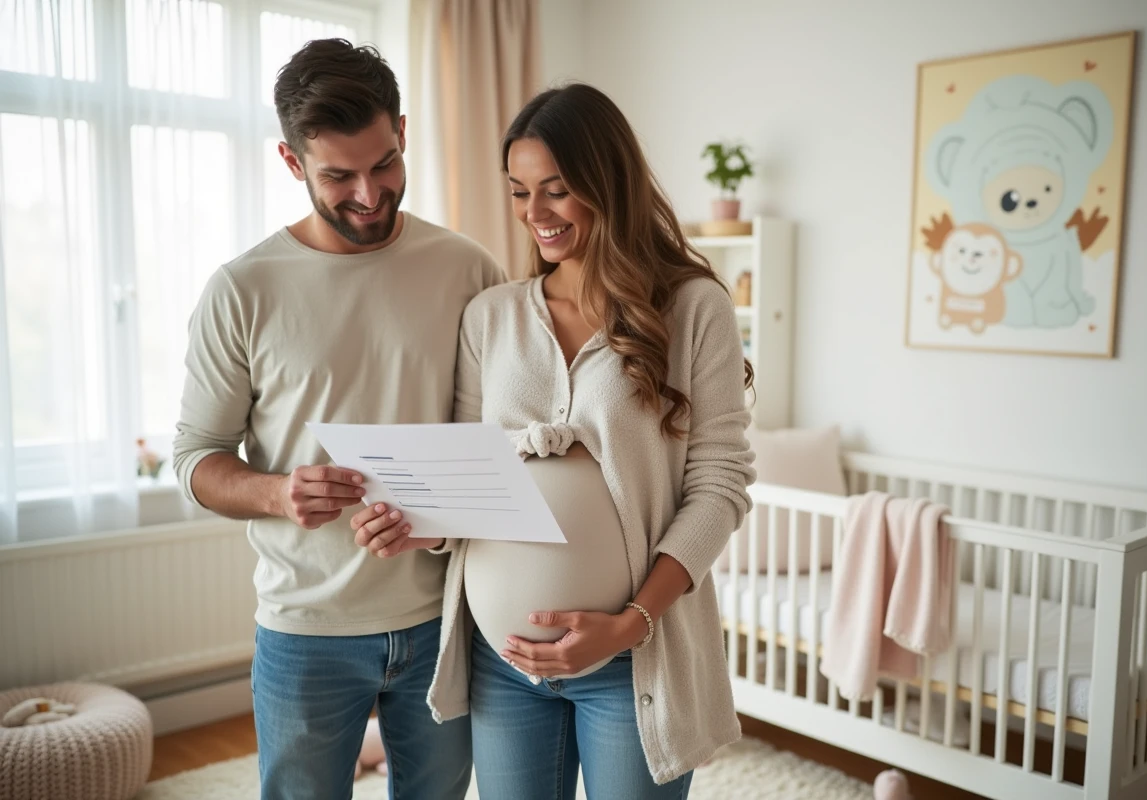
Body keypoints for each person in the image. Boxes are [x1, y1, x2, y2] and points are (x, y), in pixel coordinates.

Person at [353, 81, 757, 799]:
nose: (534, 215)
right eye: (518, 192)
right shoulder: (492, 316)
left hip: (635, 662)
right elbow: (475, 476)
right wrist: (424, 526)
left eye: (557, 190)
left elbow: (720, 488)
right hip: (504, 664)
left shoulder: (695, 309)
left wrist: (630, 625)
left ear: (609, 183)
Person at [172, 38, 505, 800]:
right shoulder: (242, 290)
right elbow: (195, 457)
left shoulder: (469, 270)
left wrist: (444, 518)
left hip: (444, 619)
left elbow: (497, 444)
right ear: (292, 164)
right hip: (304, 631)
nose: (368, 192)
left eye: (384, 163)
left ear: (404, 132)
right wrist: (278, 493)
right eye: (337, 175)